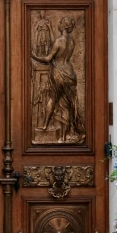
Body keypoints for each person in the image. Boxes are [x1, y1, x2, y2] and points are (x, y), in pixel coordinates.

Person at [31, 16, 85, 144]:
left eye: (60, 22)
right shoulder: (72, 41)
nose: (58, 23)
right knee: (68, 104)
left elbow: (48, 59)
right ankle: (64, 136)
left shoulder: (58, 41)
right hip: (70, 73)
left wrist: (33, 55)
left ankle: (45, 125)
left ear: (64, 26)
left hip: (58, 72)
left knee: (53, 98)